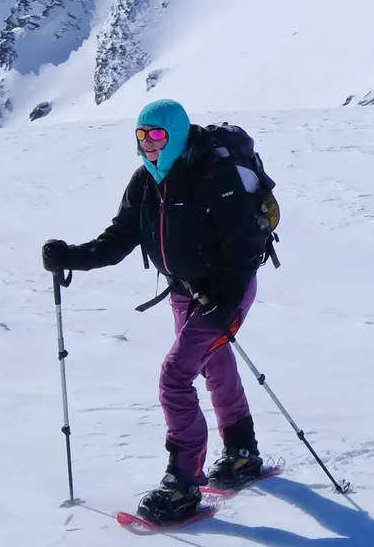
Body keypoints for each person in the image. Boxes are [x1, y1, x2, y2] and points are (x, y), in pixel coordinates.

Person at [39, 99, 274, 526]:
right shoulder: (145, 182)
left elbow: (245, 245)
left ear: (177, 135)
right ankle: (243, 452)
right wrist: (70, 257)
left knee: (175, 374)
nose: (148, 144)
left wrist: (224, 296)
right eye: (142, 136)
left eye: (157, 135)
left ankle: (182, 484)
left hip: (227, 290)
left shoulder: (212, 176)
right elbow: (118, 239)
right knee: (213, 363)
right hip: (185, 292)